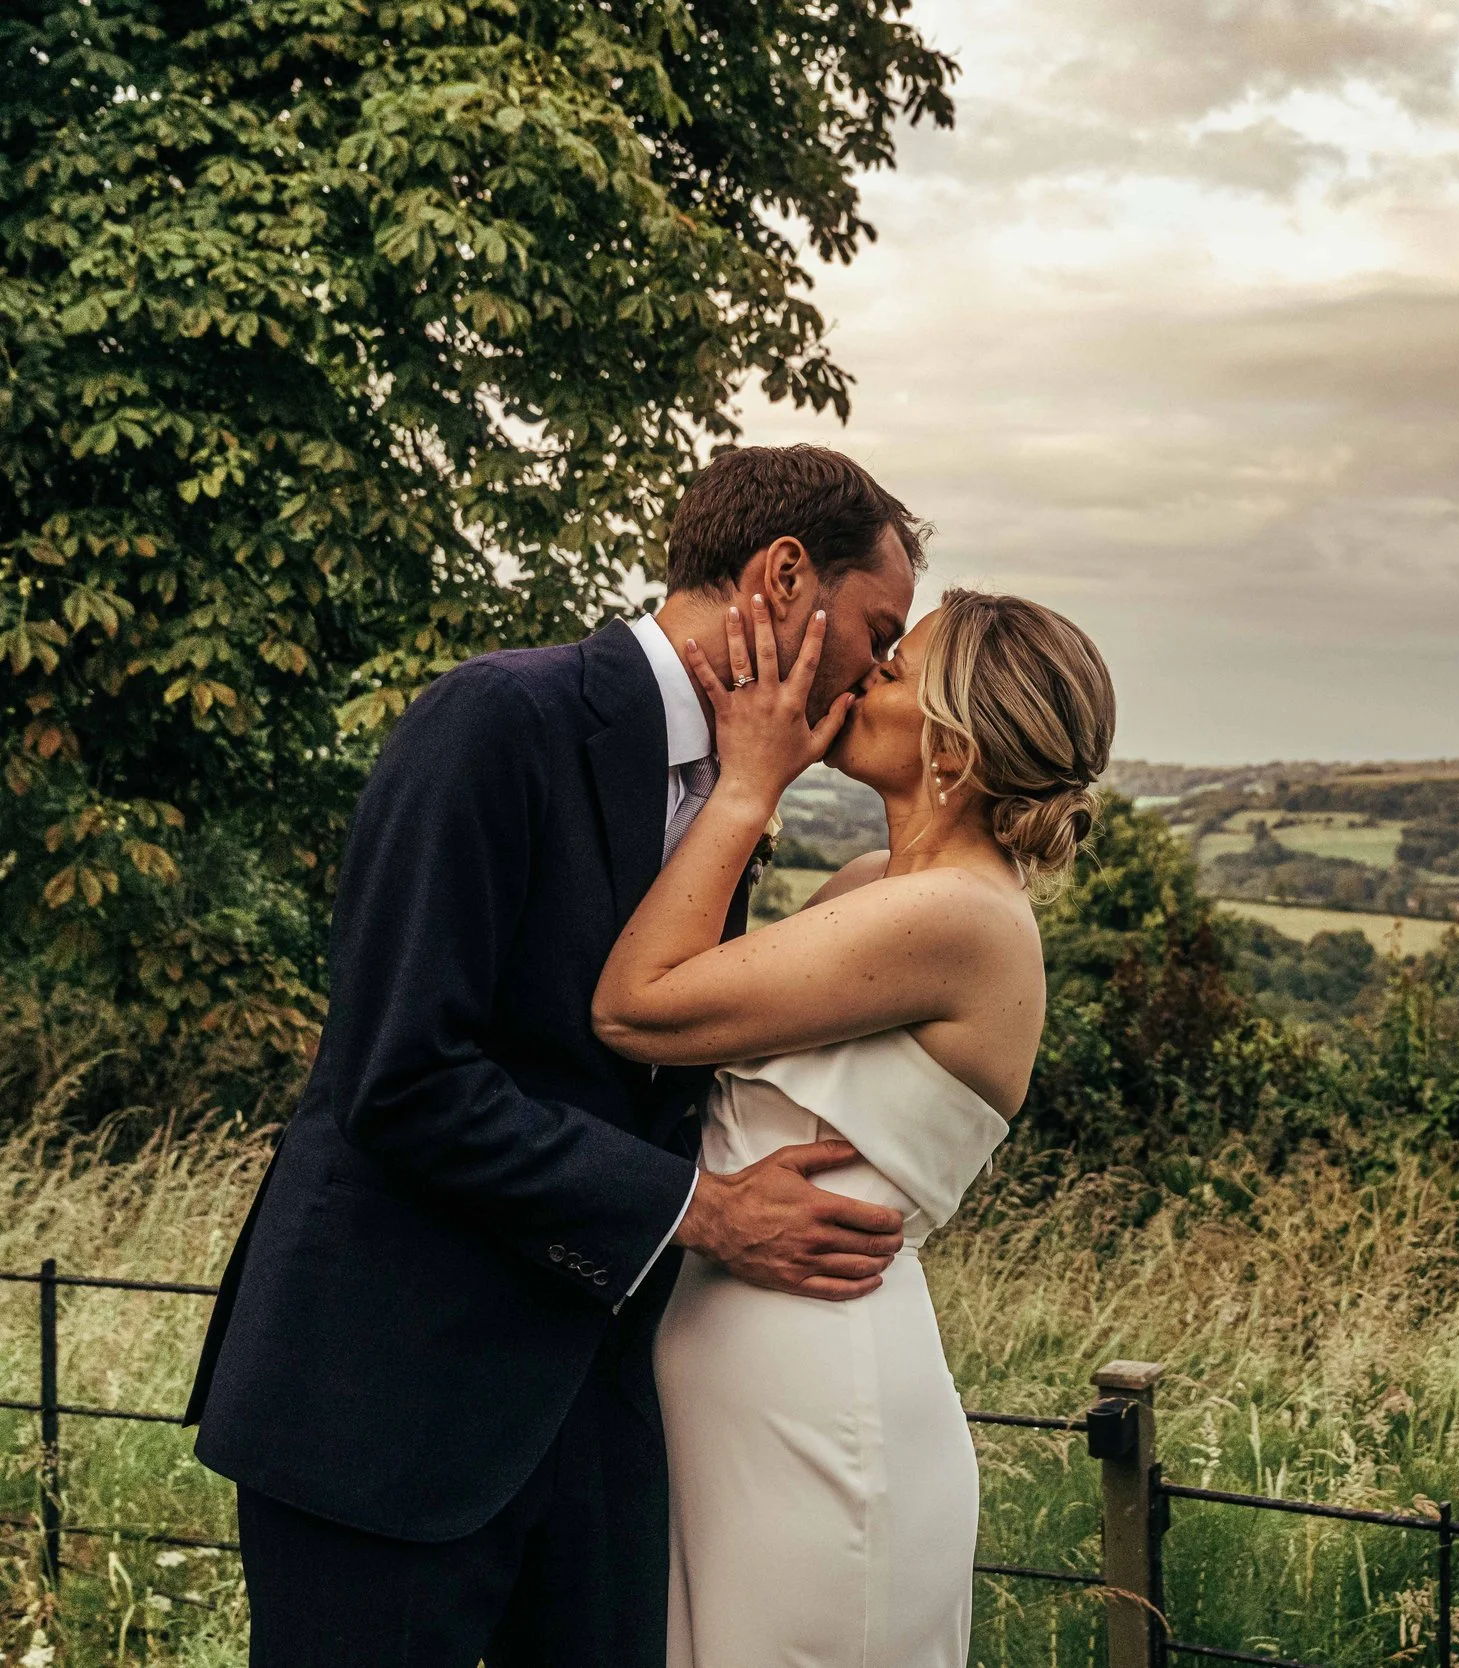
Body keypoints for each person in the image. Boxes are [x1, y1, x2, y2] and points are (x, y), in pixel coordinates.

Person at [184, 446, 926, 1668]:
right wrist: (703, 1212)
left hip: (597, 1420)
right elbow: (404, 1077)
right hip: (386, 1402)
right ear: (785, 576)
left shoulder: (737, 790)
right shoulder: (499, 718)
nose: (882, 672)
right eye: (879, 630)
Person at [590, 584, 1115, 1666]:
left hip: (821, 1388)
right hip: (727, 1374)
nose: (857, 674)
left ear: (955, 748)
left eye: (891, 667)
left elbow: (635, 1005)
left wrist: (745, 786)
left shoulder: (957, 918)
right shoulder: (877, 884)